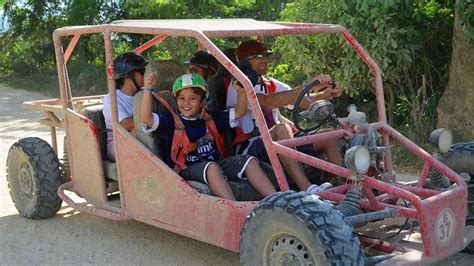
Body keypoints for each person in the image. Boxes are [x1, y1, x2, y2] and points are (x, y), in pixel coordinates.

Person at [226, 40, 343, 193]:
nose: (266, 60)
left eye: (267, 56)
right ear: (244, 62)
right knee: (282, 129)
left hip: (274, 139)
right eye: (259, 56)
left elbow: (298, 100)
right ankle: (307, 188)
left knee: (328, 136)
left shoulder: (269, 83)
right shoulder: (239, 86)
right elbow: (268, 101)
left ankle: (340, 186)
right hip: (249, 145)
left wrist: (324, 95)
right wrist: (310, 85)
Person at [140, 73, 276, 200]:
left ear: (202, 102)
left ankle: (276, 200)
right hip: (187, 169)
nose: (186, 103)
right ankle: (234, 209)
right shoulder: (171, 122)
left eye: (192, 99)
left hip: (214, 164)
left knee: (248, 161)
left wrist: (241, 92)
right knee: (211, 167)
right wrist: (147, 89)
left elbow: (239, 112)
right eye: (182, 98)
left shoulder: (210, 119)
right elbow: (146, 118)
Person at [103, 52, 149, 161]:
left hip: (141, 140)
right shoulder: (112, 98)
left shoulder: (145, 94)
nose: (146, 75)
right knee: (138, 130)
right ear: (129, 75)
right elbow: (126, 124)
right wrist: (155, 122)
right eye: (142, 72)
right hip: (119, 144)